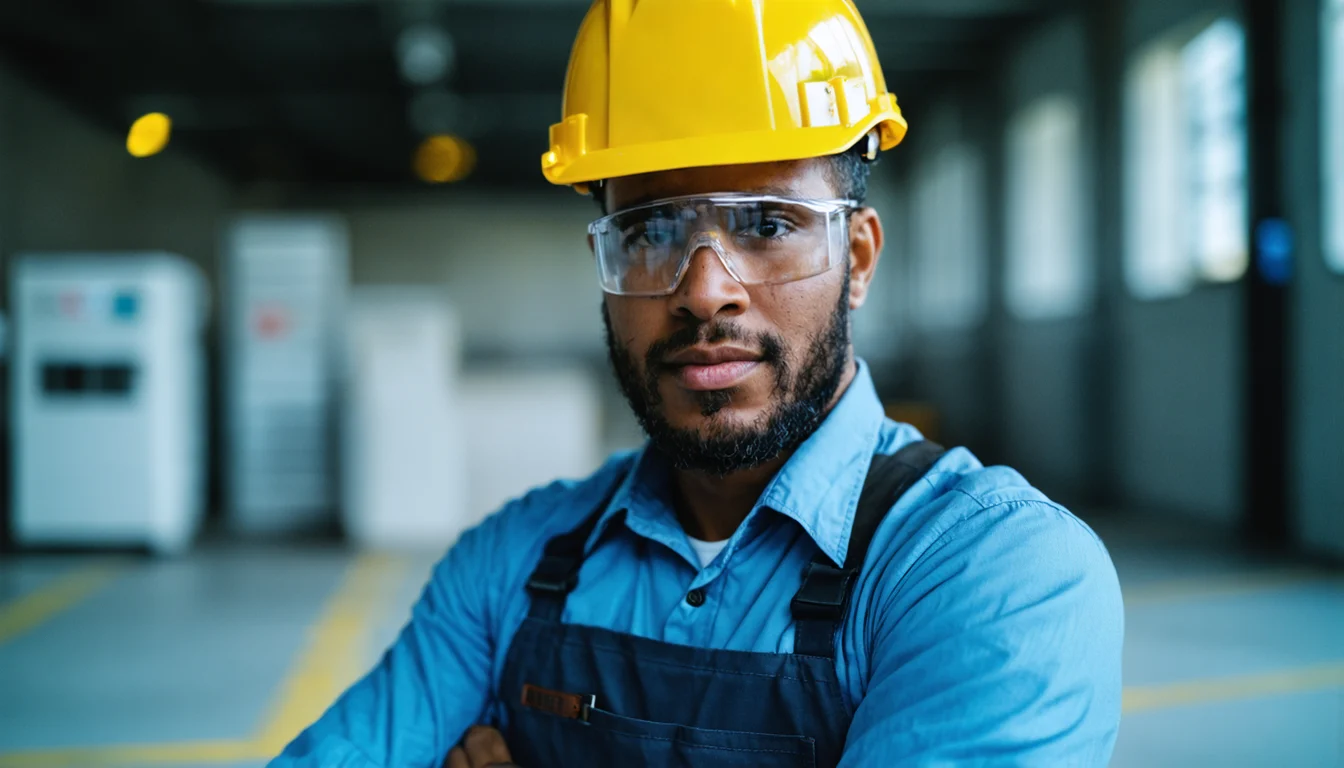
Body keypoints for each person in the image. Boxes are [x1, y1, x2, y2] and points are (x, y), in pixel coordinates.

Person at [271, 1, 1123, 765]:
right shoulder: (509, 567)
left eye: (765, 223)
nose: (703, 288)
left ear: (856, 260)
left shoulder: (991, 577)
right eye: (650, 230)